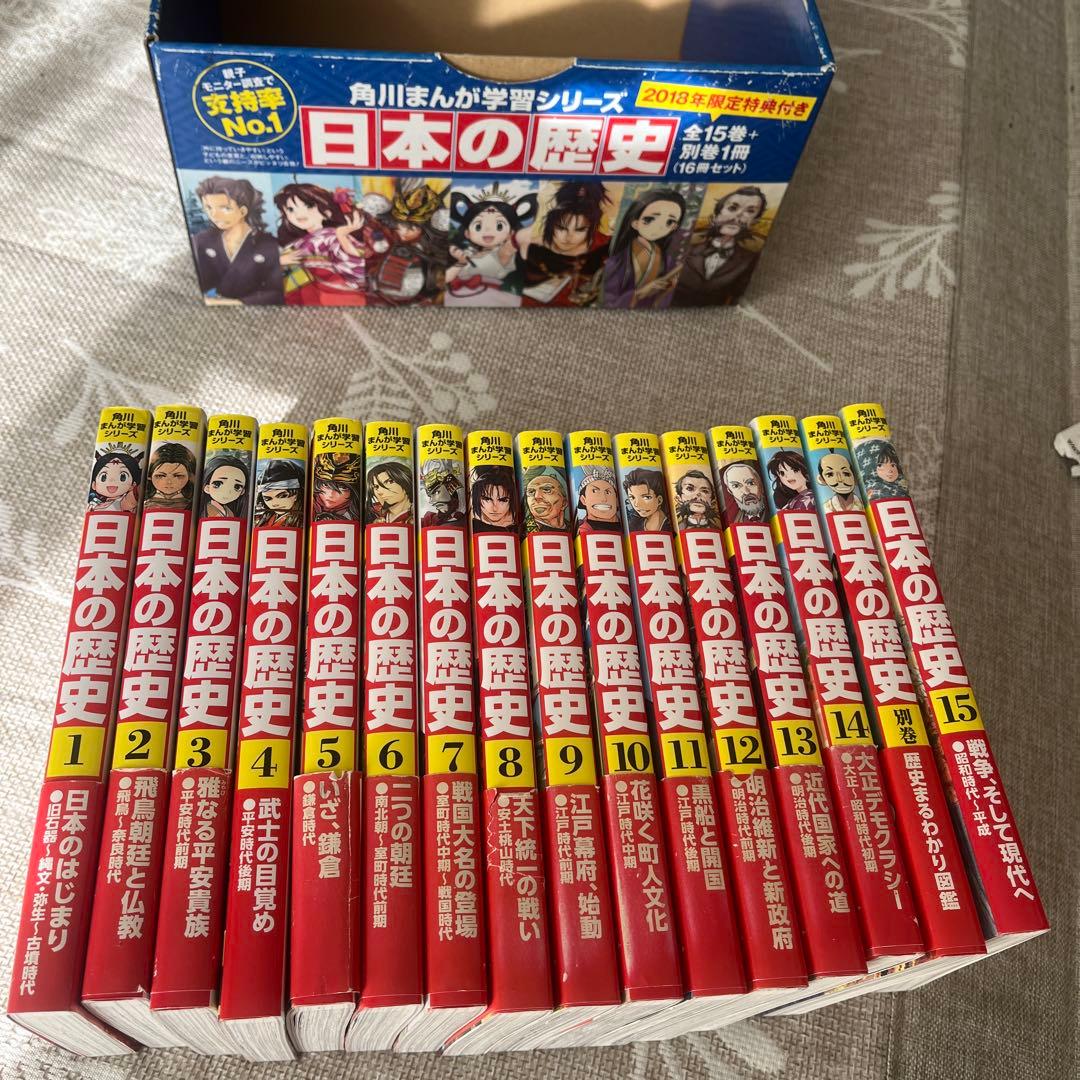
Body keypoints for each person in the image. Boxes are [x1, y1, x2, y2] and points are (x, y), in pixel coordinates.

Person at [275, 183, 392, 306]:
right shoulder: (299, 242)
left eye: (309, 206)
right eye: (291, 209)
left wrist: (341, 236)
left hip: (332, 294)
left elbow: (356, 258)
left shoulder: (330, 236)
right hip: (307, 296)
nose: (299, 214)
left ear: (327, 212)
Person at [517, 182, 612, 306]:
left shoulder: (604, 243)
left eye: (580, 229)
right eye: (561, 228)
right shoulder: (532, 243)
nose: (568, 237)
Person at [192, 176, 283, 305]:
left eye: (225, 208)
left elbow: (276, 292)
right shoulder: (202, 241)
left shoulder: (269, 245)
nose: (215, 215)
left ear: (243, 211)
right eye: (209, 208)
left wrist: (234, 303)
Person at [671, 186, 767, 307]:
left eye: (750, 211)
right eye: (732, 208)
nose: (738, 215)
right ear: (716, 215)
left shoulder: (749, 260)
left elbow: (736, 295)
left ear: (754, 222)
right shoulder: (685, 246)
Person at [445, 185, 537, 307]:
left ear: (510, 233)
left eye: (499, 226)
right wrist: (460, 262)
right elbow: (446, 278)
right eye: (478, 226)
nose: (488, 230)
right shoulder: (469, 253)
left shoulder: (504, 251)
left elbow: (516, 243)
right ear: (467, 233)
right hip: (456, 297)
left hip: (493, 296)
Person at [603, 189, 687, 309]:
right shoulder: (617, 261)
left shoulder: (667, 261)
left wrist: (669, 289)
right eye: (650, 219)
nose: (660, 227)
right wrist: (638, 294)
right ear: (635, 222)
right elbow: (608, 301)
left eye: (670, 222)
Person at [143, 443, 198, 512]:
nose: (169, 482)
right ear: (150, 476)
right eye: (160, 476)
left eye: (178, 476)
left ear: (190, 476)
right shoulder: (144, 502)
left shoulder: (193, 502)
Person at [253, 459, 305, 529]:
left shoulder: (302, 520)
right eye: (267, 498)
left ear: (297, 493)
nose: (275, 504)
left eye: (282, 496)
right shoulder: (264, 517)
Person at [470, 465, 522, 533]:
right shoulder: (472, 526)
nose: (495, 508)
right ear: (477, 498)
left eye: (503, 500)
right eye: (487, 499)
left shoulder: (519, 526)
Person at [313, 452, 363, 522]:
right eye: (325, 485)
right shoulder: (310, 506)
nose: (331, 494)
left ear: (353, 490)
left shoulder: (354, 513)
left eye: (342, 488)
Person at [622, 467, 670, 532]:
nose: (637, 504)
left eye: (646, 497)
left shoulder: (670, 525)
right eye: (632, 497)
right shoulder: (633, 525)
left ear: (659, 500)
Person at [200, 454, 249, 519]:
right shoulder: (207, 510)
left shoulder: (229, 510)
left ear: (242, 491)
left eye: (237, 487)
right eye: (217, 484)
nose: (228, 491)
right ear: (207, 487)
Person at [574, 466, 621, 533]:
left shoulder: (629, 525)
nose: (603, 499)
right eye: (595, 491)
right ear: (583, 499)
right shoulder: (582, 530)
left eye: (608, 492)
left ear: (616, 500)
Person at [522, 466, 569, 532]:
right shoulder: (523, 531)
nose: (537, 497)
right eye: (531, 492)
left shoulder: (575, 529)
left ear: (564, 503)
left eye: (546, 489)